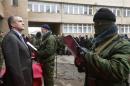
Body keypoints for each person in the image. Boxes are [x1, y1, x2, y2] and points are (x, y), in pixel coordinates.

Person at [74, 8, 130, 86]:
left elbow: (118, 72)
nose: (94, 26)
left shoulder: (123, 45)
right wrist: (82, 63)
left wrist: (88, 56)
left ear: (105, 24)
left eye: (97, 23)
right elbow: (93, 66)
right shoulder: (97, 43)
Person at [1, 16, 33, 86]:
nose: (23, 23)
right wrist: (20, 83)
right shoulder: (10, 38)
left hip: (25, 77)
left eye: (22, 21)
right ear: (12, 24)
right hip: (19, 81)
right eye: (20, 21)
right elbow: (13, 66)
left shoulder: (18, 37)